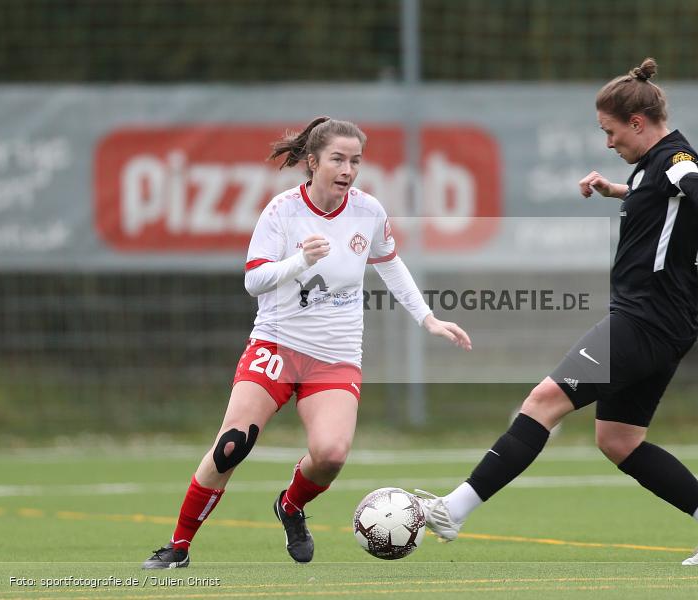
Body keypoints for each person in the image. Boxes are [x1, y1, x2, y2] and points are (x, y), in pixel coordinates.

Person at [415, 58, 698, 565]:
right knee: (619, 440)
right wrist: (618, 190)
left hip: (645, 319)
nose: (608, 142)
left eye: (610, 131)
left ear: (637, 122)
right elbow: (663, 194)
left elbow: (692, 183)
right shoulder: (650, 166)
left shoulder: (676, 157)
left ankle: (452, 510)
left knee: (543, 401)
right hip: (665, 321)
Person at [142, 117, 472, 569]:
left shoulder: (368, 211)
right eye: (338, 159)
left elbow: (390, 264)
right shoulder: (281, 211)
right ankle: (177, 547)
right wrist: (300, 260)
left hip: (335, 357)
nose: (348, 170)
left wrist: (428, 318)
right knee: (232, 444)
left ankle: (291, 506)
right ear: (313, 162)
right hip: (276, 347)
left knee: (331, 455)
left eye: (355, 161)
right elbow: (254, 280)